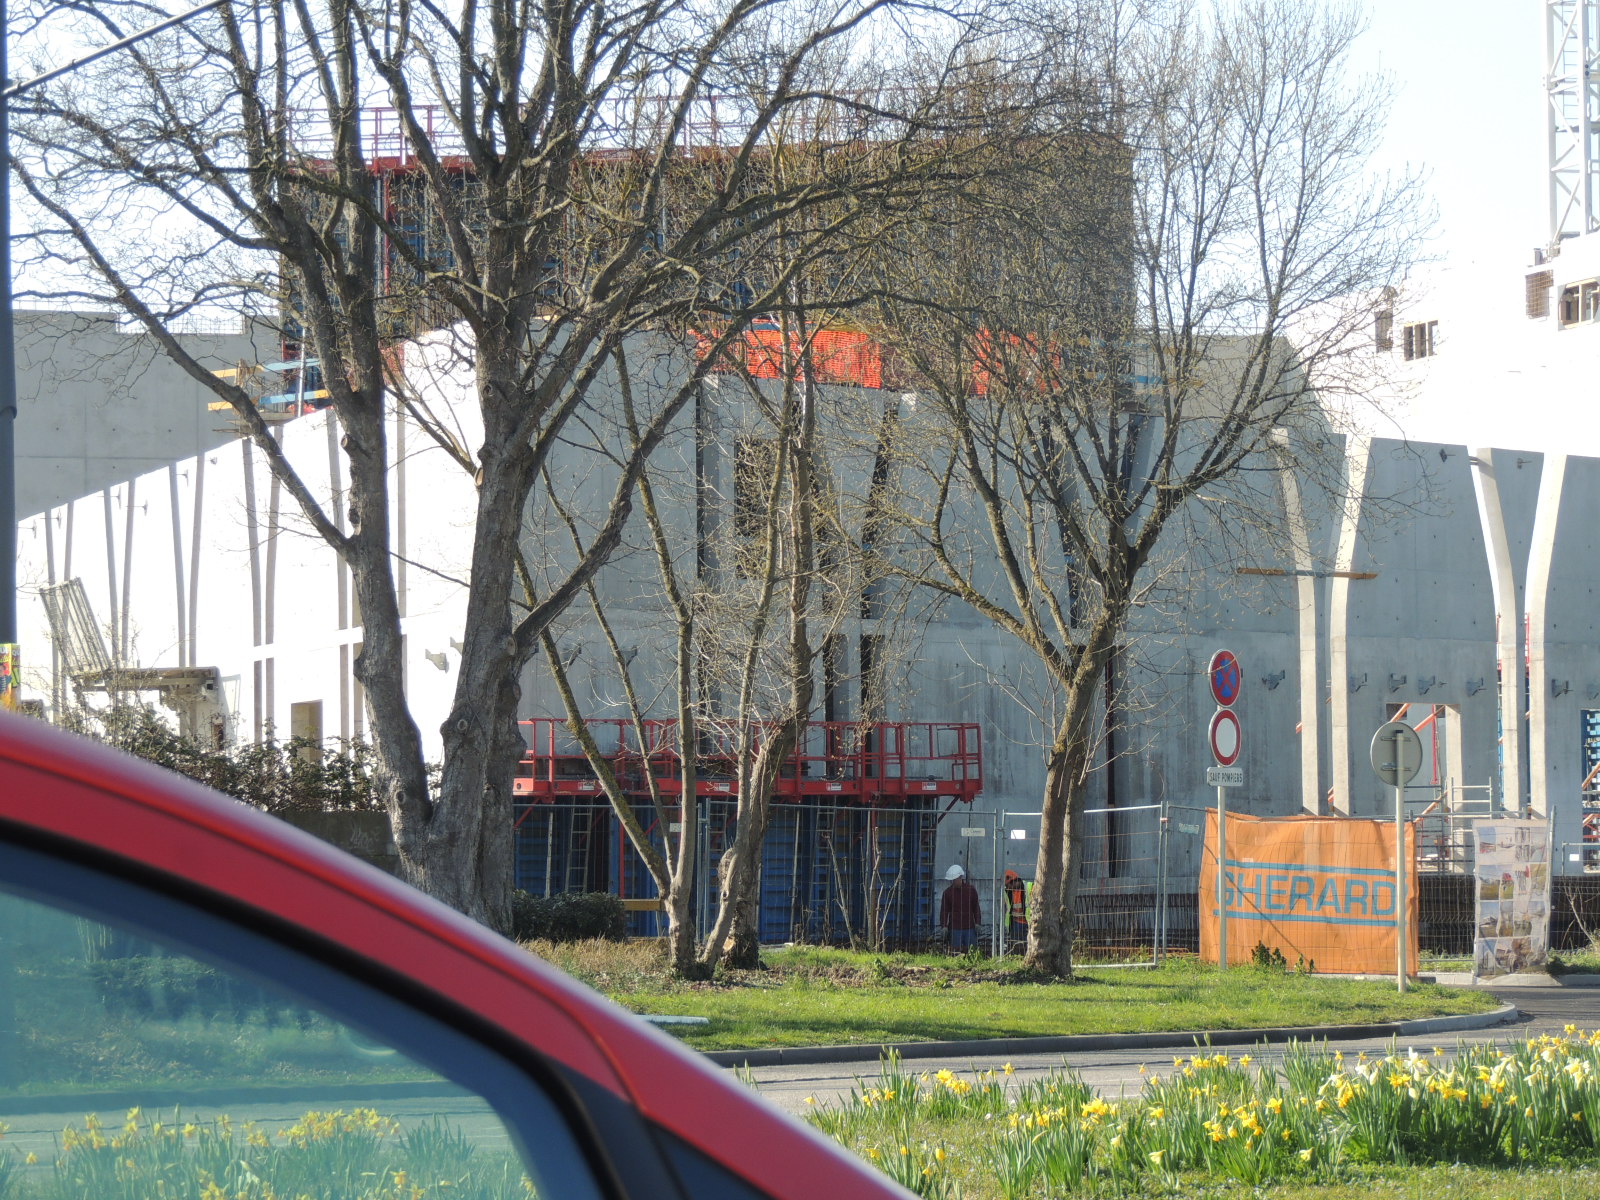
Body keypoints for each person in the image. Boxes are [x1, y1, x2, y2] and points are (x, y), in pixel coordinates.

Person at [939, 864, 981, 953]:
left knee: (972, 951)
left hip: (969, 927)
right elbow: (944, 911)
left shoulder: (971, 890)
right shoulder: (947, 893)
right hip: (955, 928)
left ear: (960, 877)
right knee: (955, 952)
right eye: (952, 880)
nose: (953, 882)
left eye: (955, 879)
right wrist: (944, 926)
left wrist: (977, 923)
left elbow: (976, 908)